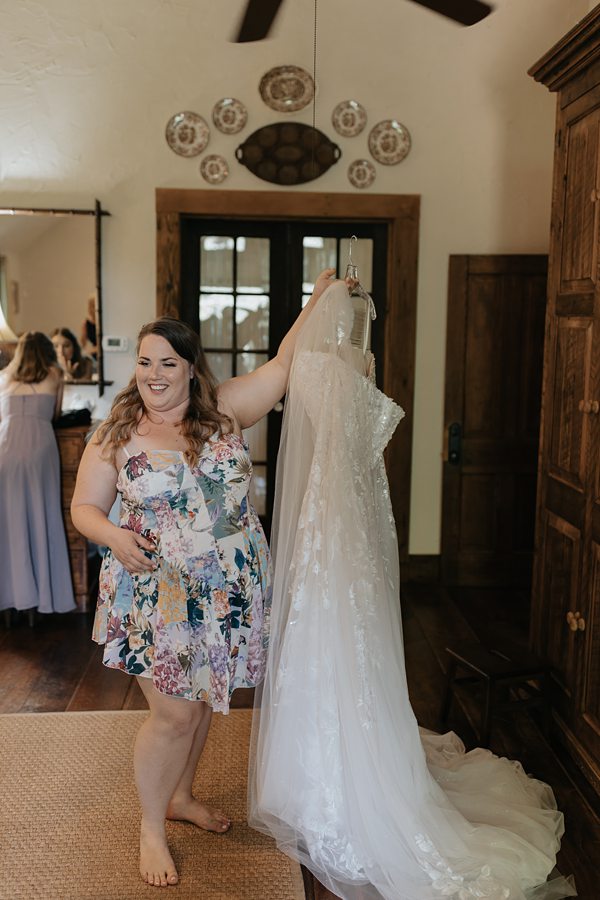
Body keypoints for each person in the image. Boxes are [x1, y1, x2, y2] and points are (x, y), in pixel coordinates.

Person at [248, 281, 575, 900]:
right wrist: (320, 299)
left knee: (350, 638)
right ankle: (327, 775)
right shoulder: (326, 365)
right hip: (343, 519)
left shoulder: (346, 363)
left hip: (353, 521)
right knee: (335, 635)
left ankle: (336, 773)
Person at [70, 268, 337, 889]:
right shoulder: (116, 434)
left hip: (227, 592)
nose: (153, 375)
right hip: (156, 594)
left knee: (204, 700)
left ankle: (181, 795)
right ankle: (151, 826)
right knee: (174, 716)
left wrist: (318, 300)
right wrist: (113, 536)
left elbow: (284, 361)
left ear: (192, 367)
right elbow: (84, 508)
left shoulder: (224, 413)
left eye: (167, 363)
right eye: (144, 362)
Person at [0, 332, 76, 619]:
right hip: (39, 447)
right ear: (47, 351)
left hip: (5, 447)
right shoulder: (55, 374)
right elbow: (55, 414)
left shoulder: (4, 377)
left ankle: (10, 600)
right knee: (42, 515)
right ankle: (43, 596)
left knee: (9, 522)